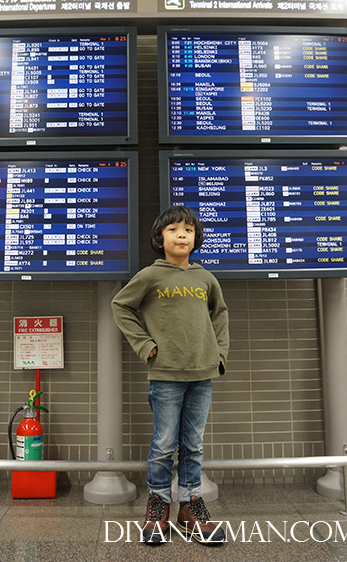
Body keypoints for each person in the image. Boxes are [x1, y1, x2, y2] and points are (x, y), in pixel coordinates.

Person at [111, 206, 229, 545]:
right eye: (174, 229)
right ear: (159, 239)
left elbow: (220, 316)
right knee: (163, 445)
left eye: (188, 230)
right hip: (164, 375)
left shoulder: (205, 279)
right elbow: (121, 306)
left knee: (193, 445)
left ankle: (190, 506)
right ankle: (158, 504)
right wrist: (144, 345)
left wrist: (219, 355)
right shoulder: (150, 276)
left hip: (202, 373)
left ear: (196, 238)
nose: (182, 235)